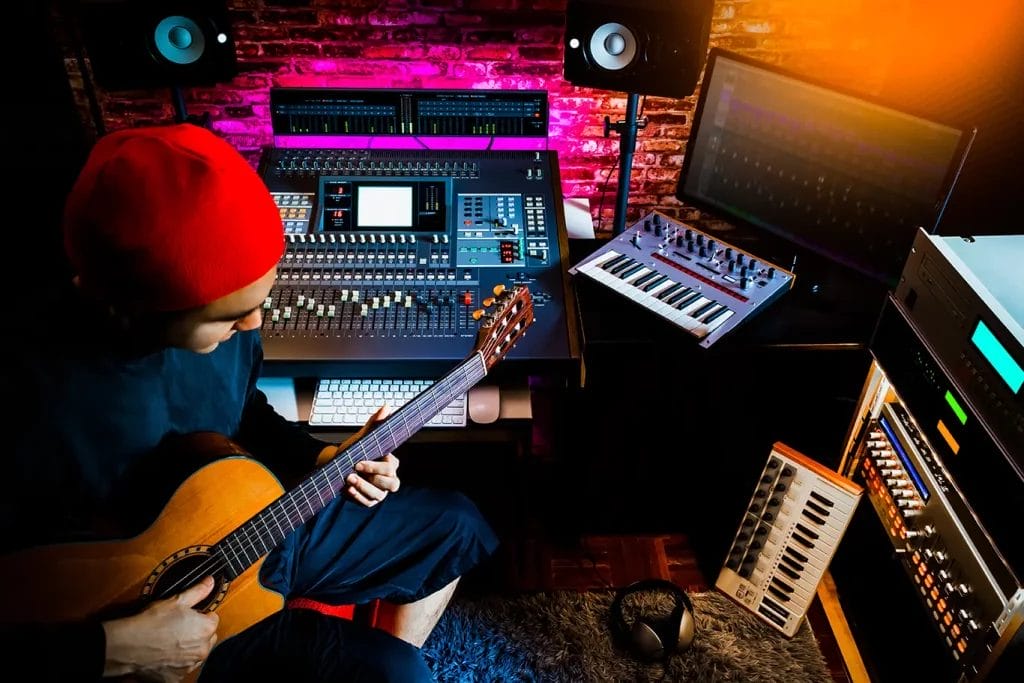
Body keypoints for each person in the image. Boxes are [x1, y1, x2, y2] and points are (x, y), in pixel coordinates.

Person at [0, 123, 499, 681]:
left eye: (262, 298)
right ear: (133, 307)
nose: (255, 323)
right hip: (145, 631)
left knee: (457, 523)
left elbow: (243, 411)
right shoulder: (26, 400)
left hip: (249, 528)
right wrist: (104, 648)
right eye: (227, 315)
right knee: (400, 675)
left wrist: (319, 458)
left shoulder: (231, 333)